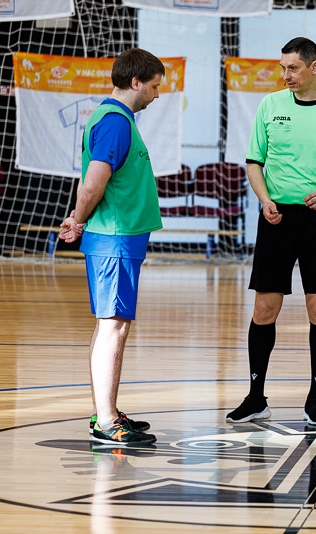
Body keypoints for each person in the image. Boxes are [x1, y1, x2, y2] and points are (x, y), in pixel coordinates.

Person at [225, 37, 316, 426]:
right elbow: (254, 162)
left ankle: (315, 400)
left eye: (293, 68)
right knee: (264, 309)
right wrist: (264, 199)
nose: (285, 75)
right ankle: (255, 398)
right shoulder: (270, 106)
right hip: (277, 219)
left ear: (314, 68)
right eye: (282, 68)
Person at [59, 47, 164, 446]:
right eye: (153, 86)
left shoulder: (116, 119)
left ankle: (106, 412)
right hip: (114, 239)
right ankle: (106, 423)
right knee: (113, 327)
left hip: (121, 238)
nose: (156, 94)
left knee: (111, 324)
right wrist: (78, 219)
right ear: (135, 82)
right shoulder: (116, 122)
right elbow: (93, 184)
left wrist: (78, 217)